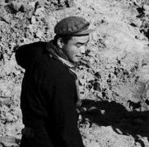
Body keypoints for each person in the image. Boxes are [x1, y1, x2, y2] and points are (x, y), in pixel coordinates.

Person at [14, 16, 92, 147]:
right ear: (61, 43)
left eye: (85, 44)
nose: (83, 51)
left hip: (30, 139)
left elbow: (21, 53)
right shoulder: (60, 78)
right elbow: (67, 130)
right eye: (78, 45)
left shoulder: (38, 53)